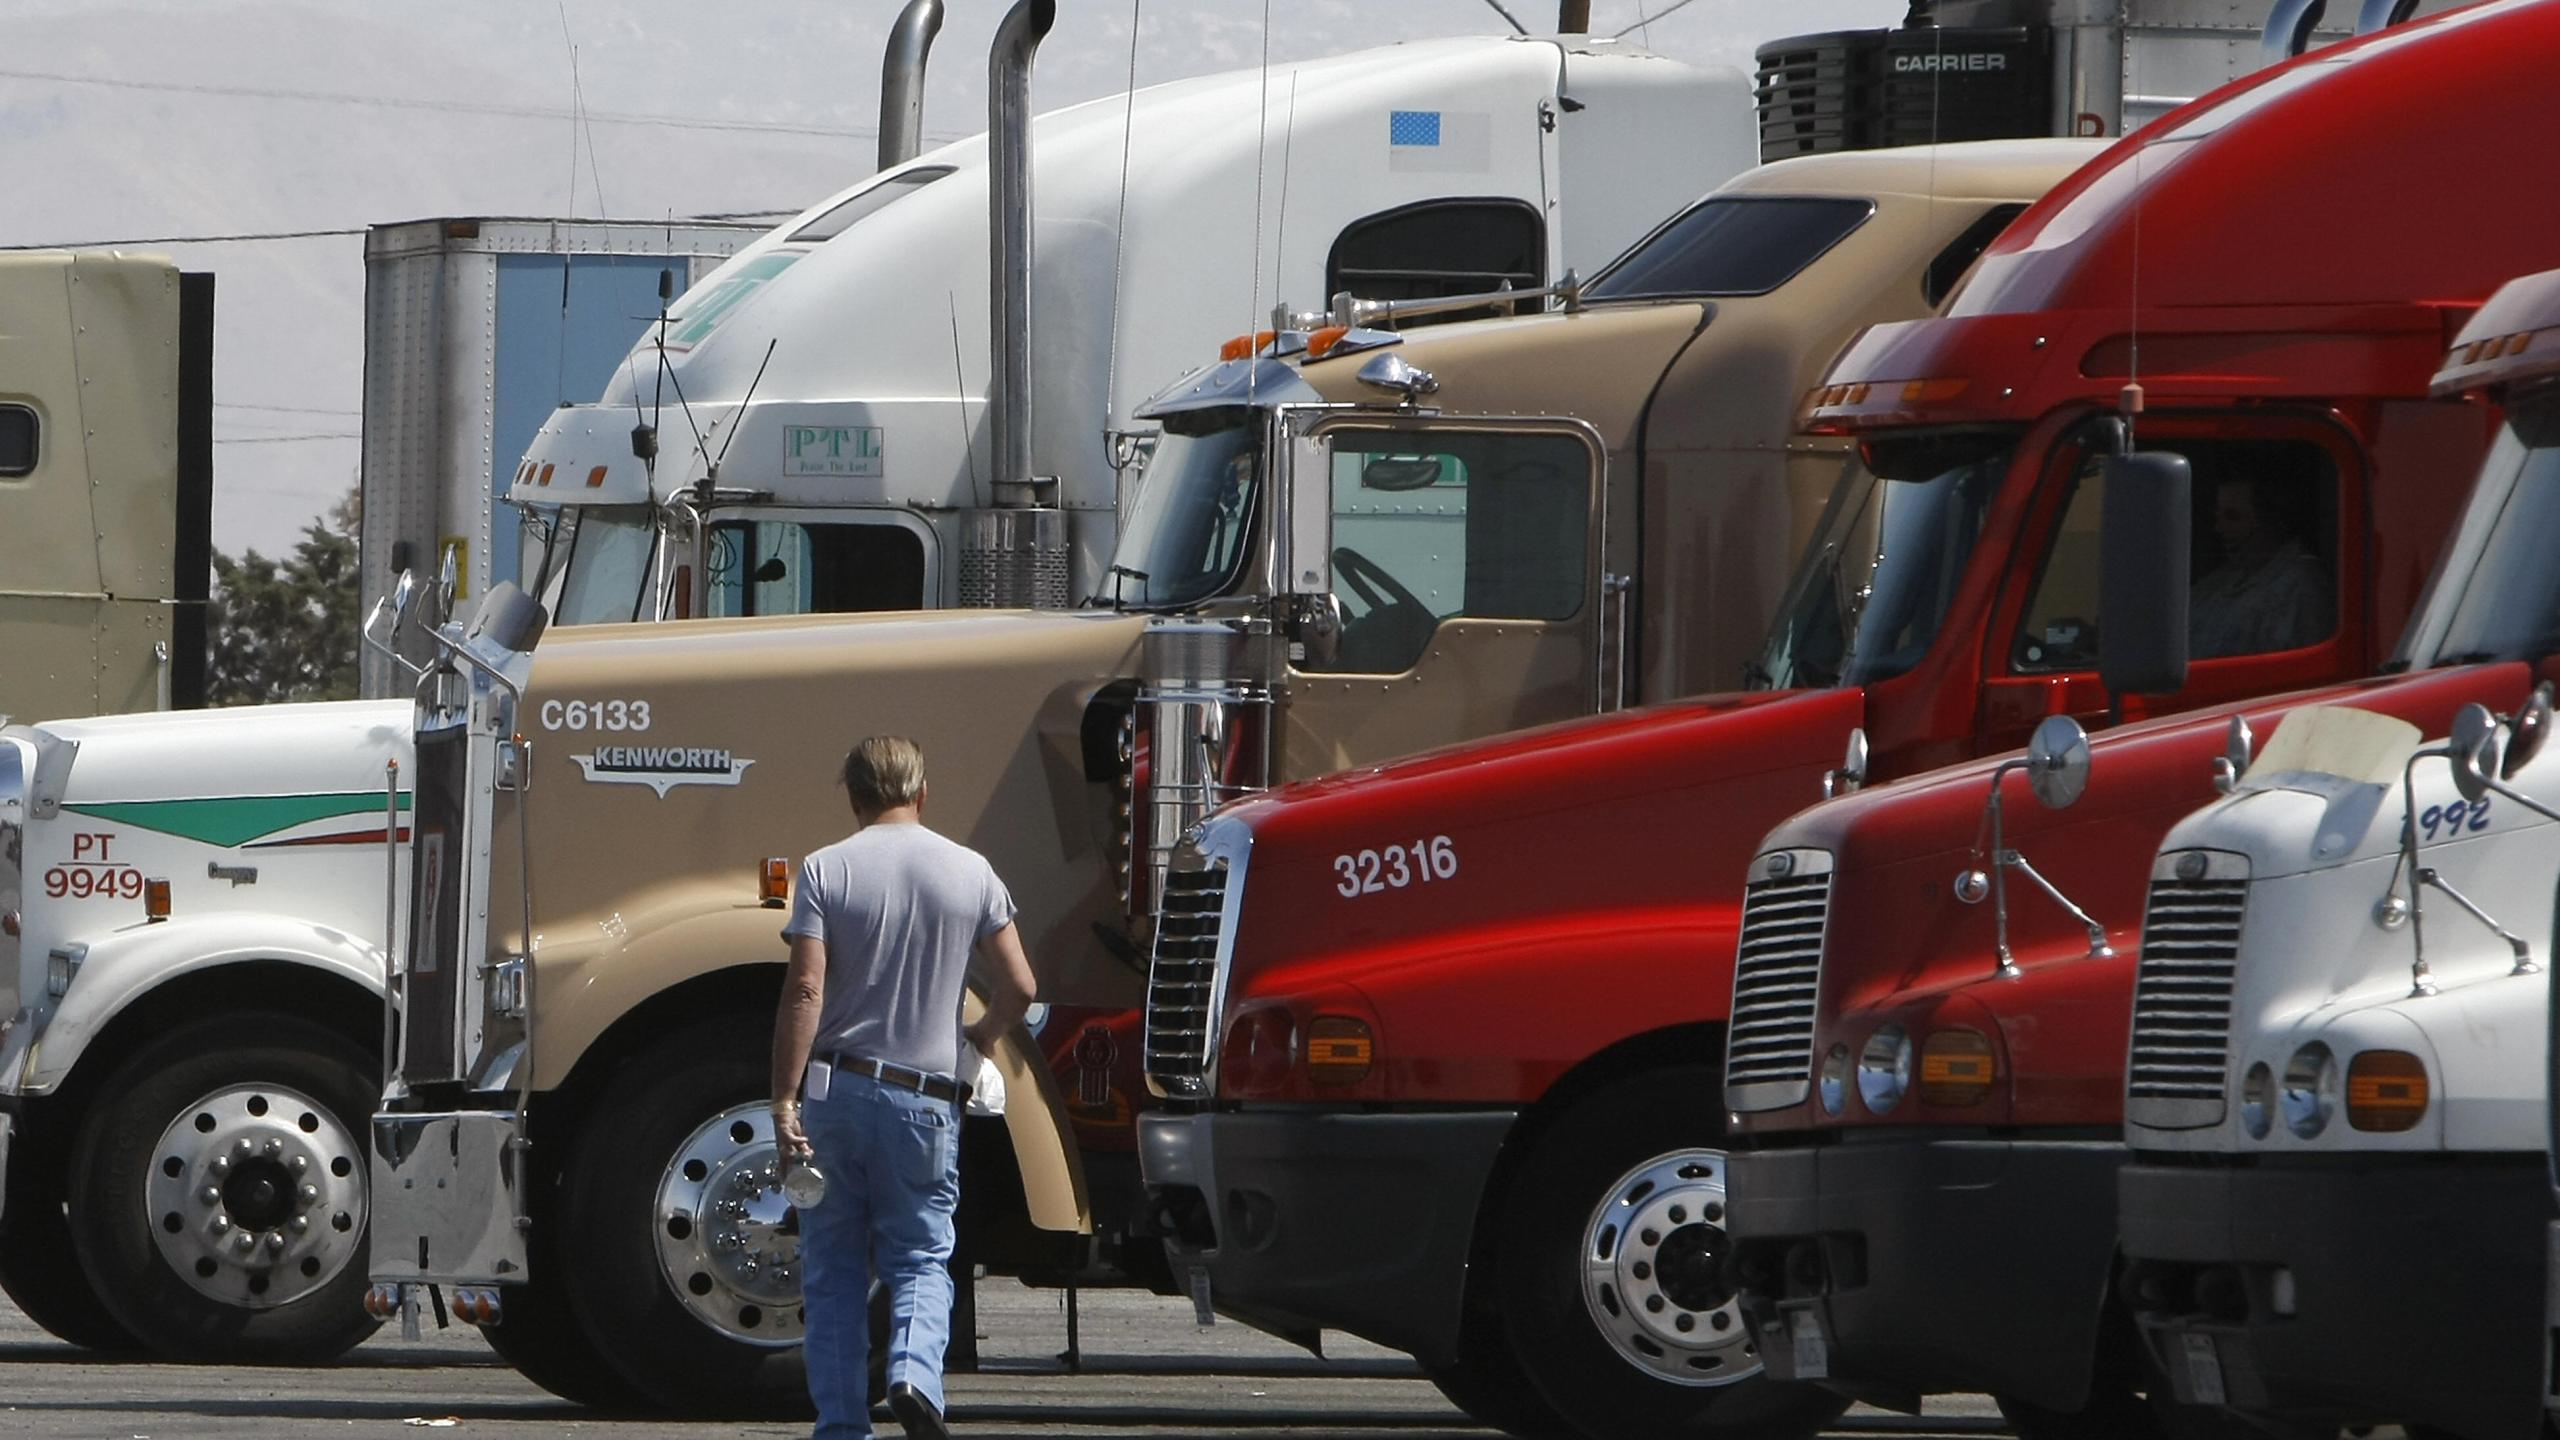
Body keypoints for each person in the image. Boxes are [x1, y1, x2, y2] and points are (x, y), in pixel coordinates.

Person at [772, 736, 1038, 1440]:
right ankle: (914, 1376)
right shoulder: (970, 871)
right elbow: (1020, 985)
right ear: (923, 795)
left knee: (831, 1270)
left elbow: (805, 988)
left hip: (836, 1094)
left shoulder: (827, 870)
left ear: (856, 800)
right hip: (925, 1102)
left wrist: (783, 1099)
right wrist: (980, 1040)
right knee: (920, 1254)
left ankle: (841, 1427)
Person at [2189, 476, 2330, 659]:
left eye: (2233, 517)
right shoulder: (2219, 581)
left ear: (2269, 520)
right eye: (2218, 517)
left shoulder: (2301, 587)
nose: (2219, 528)